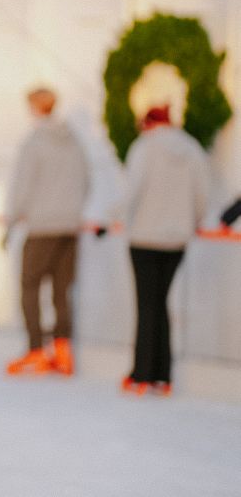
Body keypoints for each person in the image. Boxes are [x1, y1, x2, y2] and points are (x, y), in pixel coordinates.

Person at [121, 106, 209, 396]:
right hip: (177, 239)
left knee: (147, 304)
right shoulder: (192, 149)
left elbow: (131, 190)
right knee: (160, 303)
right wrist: (192, 221)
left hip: (145, 237)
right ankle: (163, 374)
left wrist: (111, 218)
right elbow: (201, 193)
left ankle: (142, 372)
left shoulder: (144, 148)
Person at [4, 87, 89, 376]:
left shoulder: (35, 141)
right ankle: (63, 352)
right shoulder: (75, 140)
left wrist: (11, 222)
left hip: (41, 227)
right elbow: (86, 179)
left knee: (29, 286)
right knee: (61, 290)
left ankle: (36, 349)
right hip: (69, 226)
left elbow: (22, 186)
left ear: (35, 107)